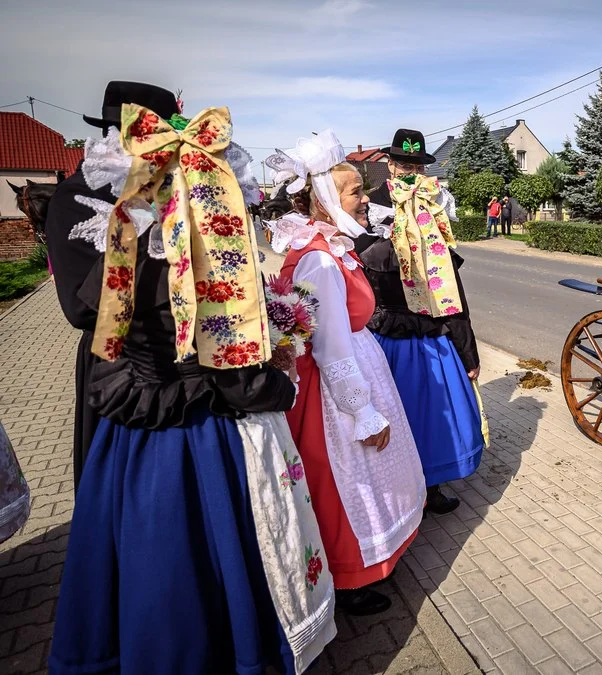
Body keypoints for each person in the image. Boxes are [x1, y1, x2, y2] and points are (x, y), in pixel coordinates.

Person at [51, 101, 335, 673]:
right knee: (200, 575)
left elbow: (109, 364)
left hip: (144, 446)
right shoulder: (178, 259)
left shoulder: (131, 249)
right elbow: (223, 381)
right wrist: (273, 387)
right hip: (190, 443)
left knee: (170, 580)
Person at [267, 131, 426, 617]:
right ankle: (349, 577)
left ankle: (364, 562)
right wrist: (363, 411)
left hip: (355, 363)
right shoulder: (318, 257)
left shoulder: (328, 247)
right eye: (355, 190)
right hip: (338, 387)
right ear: (326, 199)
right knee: (345, 481)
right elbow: (331, 343)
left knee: (364, 479)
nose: (365, 197)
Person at [42, 81, 180, 493]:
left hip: (191, 362)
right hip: (126, 369)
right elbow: (80, 308)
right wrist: (139, 229)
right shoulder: (77, 195)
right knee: (135, 493)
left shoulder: (182, 191)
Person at [355, 127, 486, 517]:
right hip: (388, 331)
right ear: (389, 164)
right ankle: (393, 496)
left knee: (431, 416)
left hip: (429, 329)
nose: (409, 171)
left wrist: (467, 349)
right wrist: (401, 232)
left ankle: (429, 486)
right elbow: (370, 263)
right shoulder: (372, 206)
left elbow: (449, 284)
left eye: (416, 165)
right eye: (402, 163)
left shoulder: (434, 205)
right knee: (393, 418)